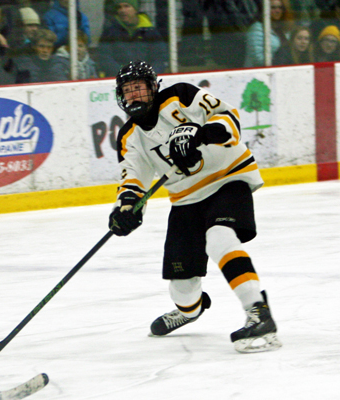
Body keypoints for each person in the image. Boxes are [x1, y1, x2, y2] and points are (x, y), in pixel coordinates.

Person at [108, 60, 282, 353]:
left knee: (219, 238)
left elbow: (229, 118)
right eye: (128, 90)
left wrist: (201, 134)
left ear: (152, 88)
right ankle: (191, 310)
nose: (133, 95)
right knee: (182, 285)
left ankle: (259, 313)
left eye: (138, 87)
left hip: (228, 178)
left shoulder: (181, 96)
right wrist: (126, 208)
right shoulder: (129, 136)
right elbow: (133, 179)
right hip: (186, 199)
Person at [96, 0, 167, 77]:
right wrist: (124, 74)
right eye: (119, 7)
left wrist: (147, 74)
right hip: (119, 80)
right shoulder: (110, 32)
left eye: (126, 6)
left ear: (136, 9)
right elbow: (104, 58)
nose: (122, 10)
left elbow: (160, 58)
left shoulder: (150, 31)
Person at [244, 0, 295, 67]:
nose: (277, 11)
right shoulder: (257, 28)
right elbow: (257, 59)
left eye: (280, 8)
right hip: (258, 74)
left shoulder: (284, 28)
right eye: (273, 7)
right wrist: (279, 62)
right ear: (265, 9)